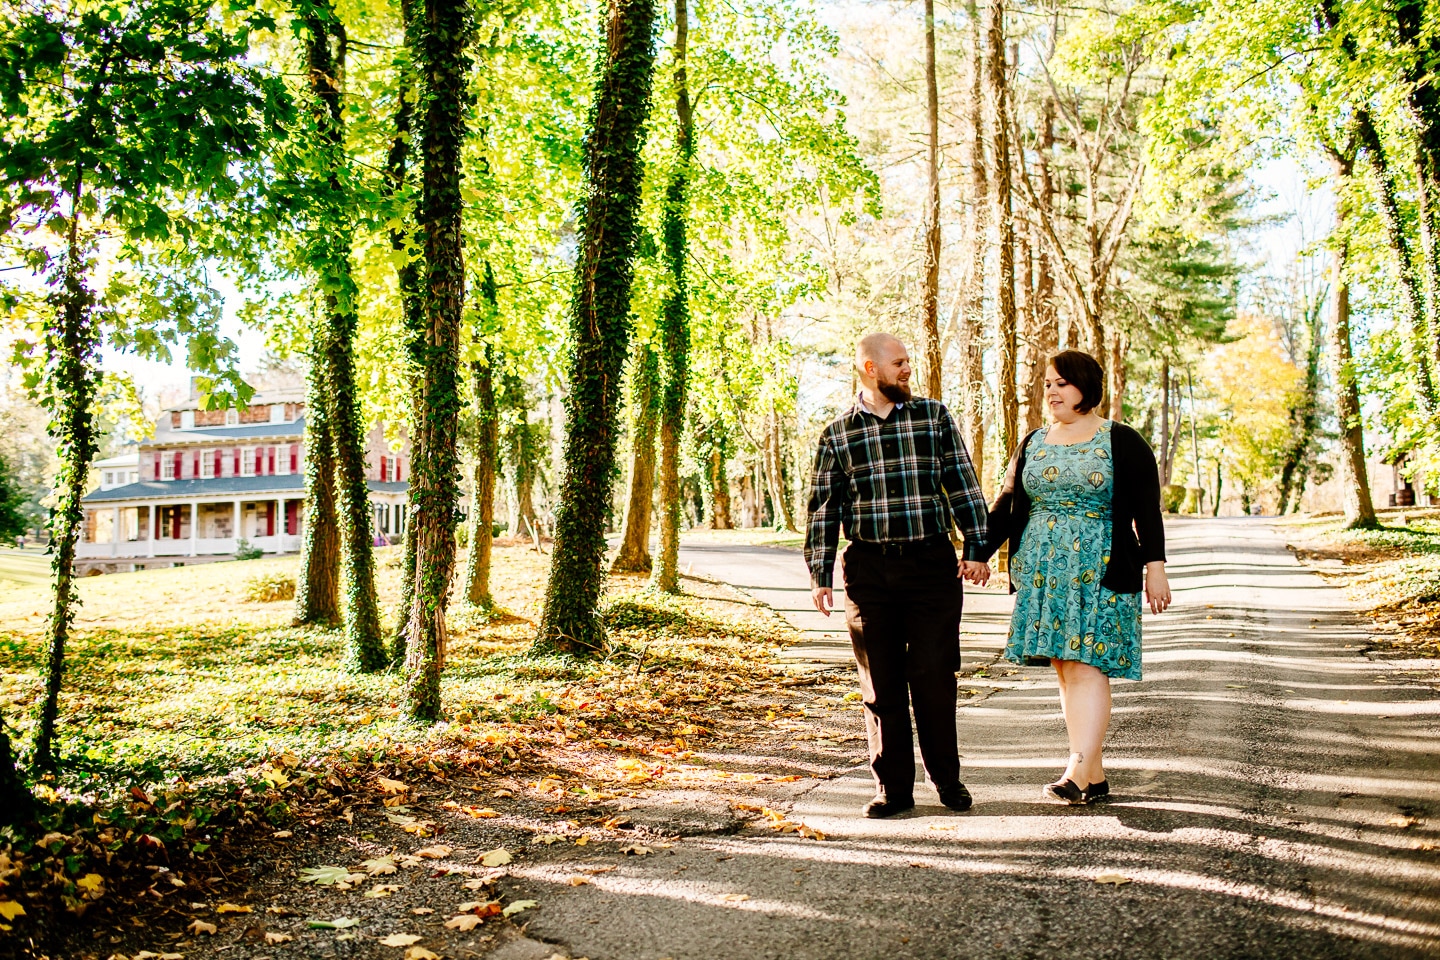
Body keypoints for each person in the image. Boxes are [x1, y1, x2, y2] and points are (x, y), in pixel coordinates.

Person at [805, 332, 991, 818]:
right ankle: (893, 788)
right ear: (870, 368)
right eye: (899, 363)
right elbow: (825, 509)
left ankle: (946, 779)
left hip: (931, 564)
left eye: (908, 362)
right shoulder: (838, 434)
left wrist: (977, 547)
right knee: (880, 684)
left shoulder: (934, 418)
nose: (908, 369)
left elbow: (963, 484)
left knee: (933, 674)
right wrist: (820, 572)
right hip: (869, 570)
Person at [984, 350, 1170, 805]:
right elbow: (1007, 504)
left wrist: (1156, 569)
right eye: (1048, 383)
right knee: (1066, 668)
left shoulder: (1121, 440)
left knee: (1088, 666)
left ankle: (1075, 768)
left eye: (1062, 383)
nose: (1052, 391)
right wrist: (977, 554)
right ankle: (1094, 774)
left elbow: (1147, 510)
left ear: (1086, 387)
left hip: (1102, 567)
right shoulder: (1032, 441)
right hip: (1044, 570)